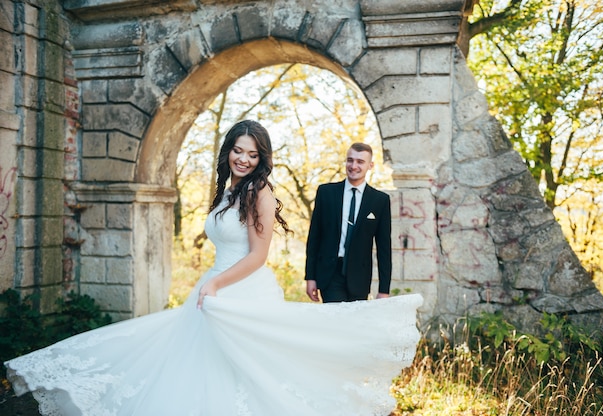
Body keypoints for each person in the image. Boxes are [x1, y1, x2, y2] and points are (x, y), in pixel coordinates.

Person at [4, 120, 422, 416]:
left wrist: (216, 283)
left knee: (247, 377)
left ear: (261, 158)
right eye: (237, 151)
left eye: (251, 153)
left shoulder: (262, 191)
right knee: (192, 369)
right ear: (229, 153)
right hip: (213, 287)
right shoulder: (227, 189)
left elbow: (258, 255)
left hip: (242, 291)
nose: (243, 158)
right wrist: (211, 282)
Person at [305, 143, 392, 303]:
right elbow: (314, 238)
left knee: (353, 325)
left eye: (360, 162)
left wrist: (383, 290)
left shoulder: (380, 201)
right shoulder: (326, 193)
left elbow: (384, 248)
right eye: (350, 160)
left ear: (370, 165)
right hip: (330, 274)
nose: (353, 166)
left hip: (360, 277)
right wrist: (310, 277)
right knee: (337, 320)